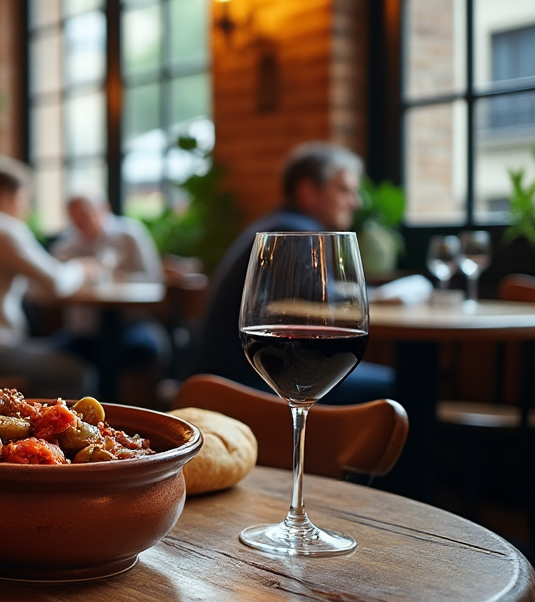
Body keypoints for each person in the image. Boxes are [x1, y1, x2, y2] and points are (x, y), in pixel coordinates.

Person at [190, 142, 394, 405]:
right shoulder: (296, 234)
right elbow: (327, 305)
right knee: (399, 386)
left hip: (218, 381)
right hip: (241, 386)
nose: (355, 202)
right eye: (344, 190)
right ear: (308, 191)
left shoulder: (274, 224)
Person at [0, 166, 95, 399]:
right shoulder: (1, 228)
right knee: (81, 373)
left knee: (62, 351)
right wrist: (83, 268)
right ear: (5, 196)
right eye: (24, 199)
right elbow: (56, 281)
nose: (27, 208)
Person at [50, 194, 170, 378]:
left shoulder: (130, 235)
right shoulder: (66, 245)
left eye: (85, 216)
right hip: (84, 330)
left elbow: (154, 281)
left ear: (103, 209)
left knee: (119, 346)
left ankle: (111, 401)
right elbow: (52, 282)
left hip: (130, 323)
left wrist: (113, 279)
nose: (80, 224)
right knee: (59, 352)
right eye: (75, 219)